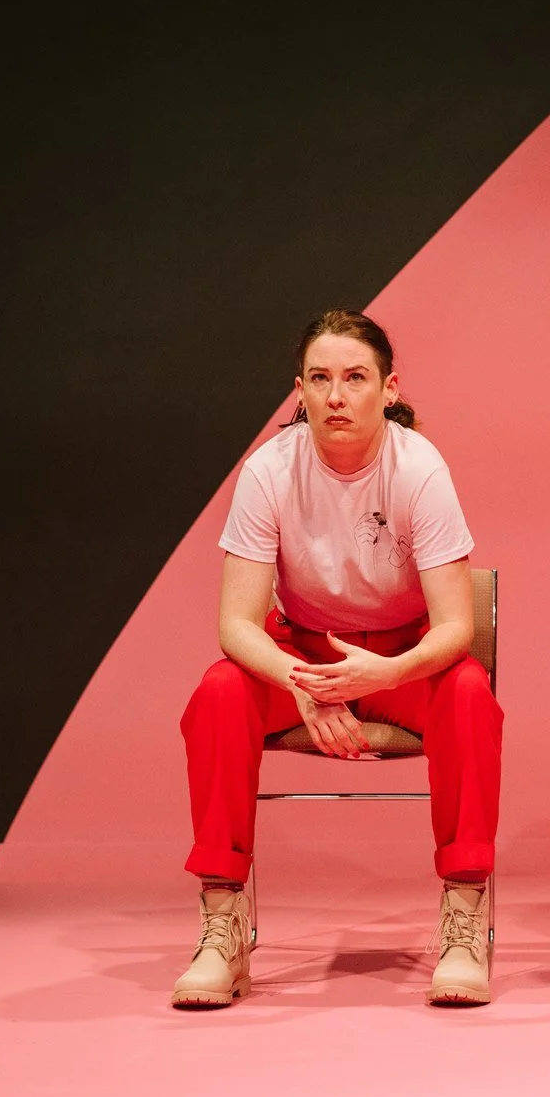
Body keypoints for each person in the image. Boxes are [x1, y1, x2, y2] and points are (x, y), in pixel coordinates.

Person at [172, 309, 502, 1009]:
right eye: (320, 378)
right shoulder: (268, 470)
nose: (337, 394)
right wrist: (305, 686)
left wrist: (385, 672)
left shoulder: (420, 467)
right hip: (303, 650)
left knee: (471, 691)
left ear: (388, 388)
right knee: (218, 692)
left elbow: (456, 624)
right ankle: (222, 927)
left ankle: (466, 921)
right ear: (300, 390)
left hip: (402, 652)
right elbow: (235, 622)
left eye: (355, 377)